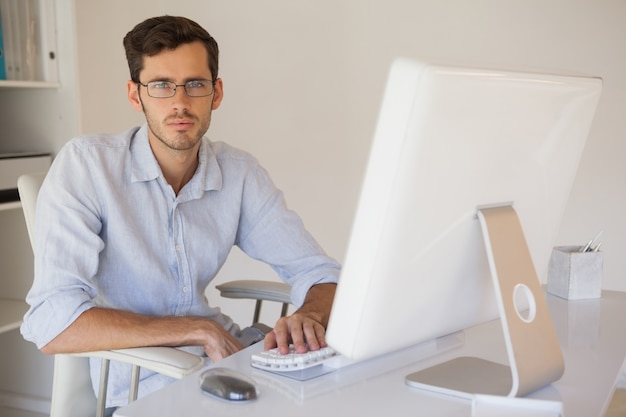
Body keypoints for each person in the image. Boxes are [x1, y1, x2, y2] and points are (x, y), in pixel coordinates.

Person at [20, 15, 340, 408]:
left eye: (195, 84)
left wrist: (308, 314)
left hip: (231, 362)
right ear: (135, 95)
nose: (180, 102)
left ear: (216, 93)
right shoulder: (87, 166)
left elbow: (321, 274)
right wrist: (196, 330)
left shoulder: (238, 173)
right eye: (160, 85)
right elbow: (52, 322)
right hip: (145, 384)